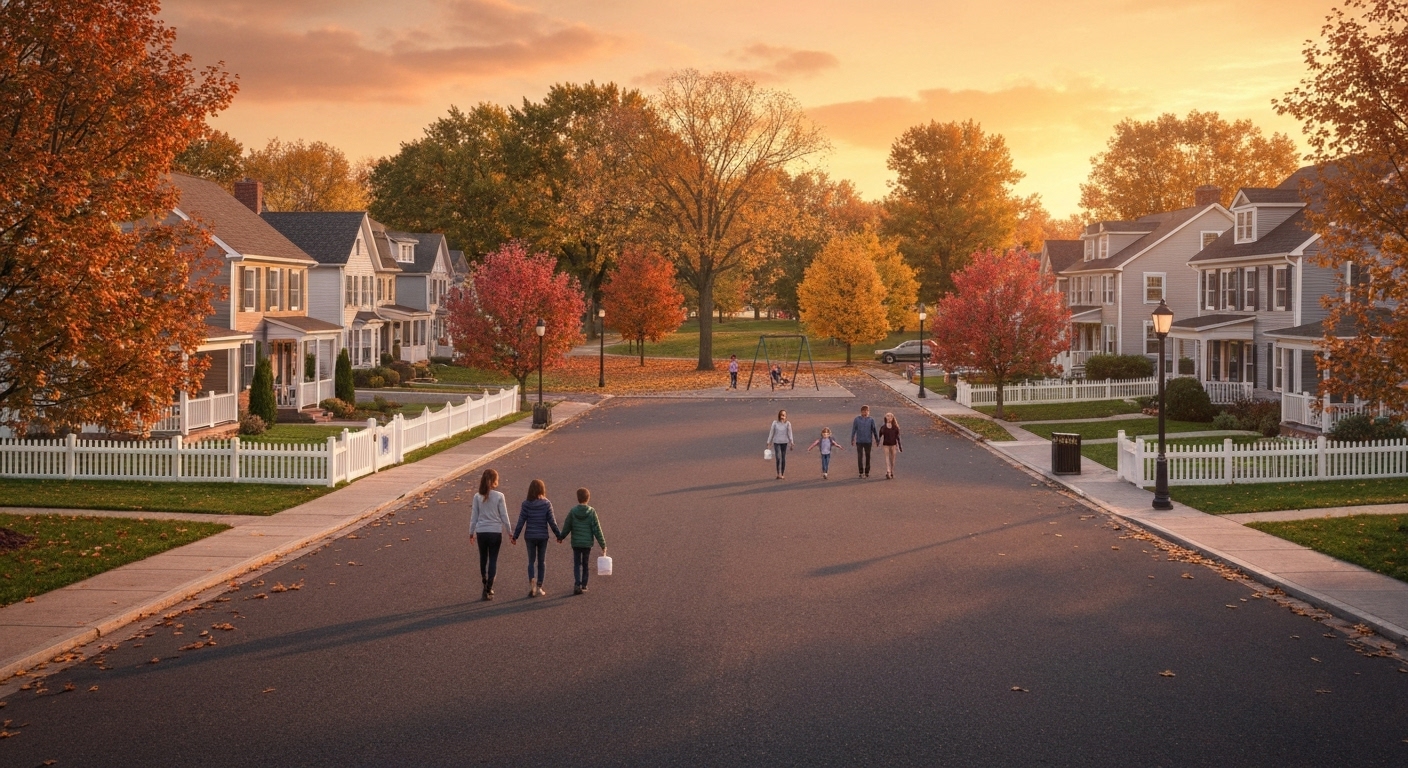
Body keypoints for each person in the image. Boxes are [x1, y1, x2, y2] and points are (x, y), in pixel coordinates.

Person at [468, 468, 513, 600]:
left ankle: (484, 582)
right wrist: (510, 532)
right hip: (495, 531)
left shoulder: (477, 496)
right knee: (493, 559)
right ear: (494, 481)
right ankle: (489, 587)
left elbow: (474, 517)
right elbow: (504, 516)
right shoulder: (499, 496)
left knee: (483, 558)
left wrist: (471, 532)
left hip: (481, 531)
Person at [512, 479, 561, 597]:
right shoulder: (547, 503)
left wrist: (515, 536)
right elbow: (552, 522)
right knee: (541, 561)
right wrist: (559, 535)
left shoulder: (526, 504)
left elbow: (521, 521)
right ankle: (539, 586)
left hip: (530, 535)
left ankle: (532, 582)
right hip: (543, 536)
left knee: (531, 561)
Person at [558, 487, 607, 595]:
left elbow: (567, 526)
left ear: (577, 498)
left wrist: (561, 537)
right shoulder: (592, 512)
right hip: (587, 543)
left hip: (576, 543)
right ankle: (584, 585)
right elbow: (597, 529)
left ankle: (577, 584)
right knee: (585, 564)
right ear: (588, 498)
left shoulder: (573, 511)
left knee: (576, 564)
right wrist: (603, 544)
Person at [766, 409, 795, 479]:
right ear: (779, 416)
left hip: (784, 442)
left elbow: (790, 433)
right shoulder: (775, 423)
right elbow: (771, 432)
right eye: (781, 415)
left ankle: (782, 473)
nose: (782, 417)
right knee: (778, 457)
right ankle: (778, 473)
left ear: (786, 416)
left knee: (783, 458)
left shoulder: (787, 424)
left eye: (784, 415)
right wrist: (769, 441)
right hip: (776, 442)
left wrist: (791, 442)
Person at [851, 405, 878, 479]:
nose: (865, 413)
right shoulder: (857, 419)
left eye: (866, 411)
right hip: (859, 440)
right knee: (860, 456)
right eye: (863, 411)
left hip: (868, 441)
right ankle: (861, 471)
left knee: (868, 456)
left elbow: (874, 430)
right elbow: (854, 429)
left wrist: (877, 439)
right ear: (861, 412)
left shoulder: (871, 420)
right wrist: (852, 439)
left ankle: (867, 472)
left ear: (868, 412)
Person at [879, 412, 903, 479]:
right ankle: (888, 471)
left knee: (892, 459)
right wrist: (878, 442)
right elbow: (880, 435)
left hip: (893, 445)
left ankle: (891, 470)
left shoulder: (895, 427)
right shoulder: (883, 427)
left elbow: (898, 437)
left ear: (892, 418)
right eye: (887, 416)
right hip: (886, 444)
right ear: (885, 417)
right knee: (887, 458)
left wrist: (900, 446)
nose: (889, 417)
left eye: (890, 416)